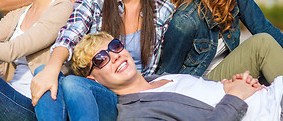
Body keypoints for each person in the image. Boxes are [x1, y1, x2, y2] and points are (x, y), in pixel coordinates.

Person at [30, 0, 175, 120]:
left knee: (72, 83)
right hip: (97, 93)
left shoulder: (164, 11)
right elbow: (70, 34)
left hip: (137, 101)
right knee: (46, 71)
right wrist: (52, 67)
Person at [72, 32, 283, 121]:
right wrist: (235, 97)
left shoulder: (158, 78)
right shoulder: (136, 114)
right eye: (100, 59)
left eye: (114, 46)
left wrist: (233, 85)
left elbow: (207, 95)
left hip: (271, 94)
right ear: (94, 79)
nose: (115, 56)